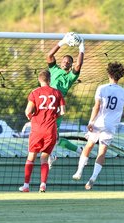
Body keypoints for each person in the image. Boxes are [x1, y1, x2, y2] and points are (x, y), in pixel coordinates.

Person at [72, 62, 124, 190]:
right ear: (120, 76)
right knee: (102, 151)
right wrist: (117, 117)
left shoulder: (102, 88)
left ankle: (79, 171)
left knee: (88, 146)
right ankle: (93, 178)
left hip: (98, 123)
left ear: (109, 74)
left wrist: (91, 122)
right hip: (111, 126)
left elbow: (97, 106)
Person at [19, 70, 65, 193]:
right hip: (50, 130)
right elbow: (63, 111)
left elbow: (28, 111)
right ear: (49, 80)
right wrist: (55, 116)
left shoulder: (34, 92)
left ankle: (26, 186)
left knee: (31, 157)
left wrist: (31, 116)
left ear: (39, 80)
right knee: (44, 158)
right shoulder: (57, 93)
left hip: (37, 129)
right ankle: (43, 185)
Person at [46, 32, 85, 168]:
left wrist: (81, 47)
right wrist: (61, 43)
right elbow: (49, 56)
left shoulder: (70, 77)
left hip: (57, 106)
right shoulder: (53, 69)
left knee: (54, 137)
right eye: (63, 61)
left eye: (68, 62)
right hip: (45, 104)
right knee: (47, 135)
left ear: (70, 65)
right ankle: (78, 150)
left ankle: (53, 155)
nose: (65, 63)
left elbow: (79, 66)